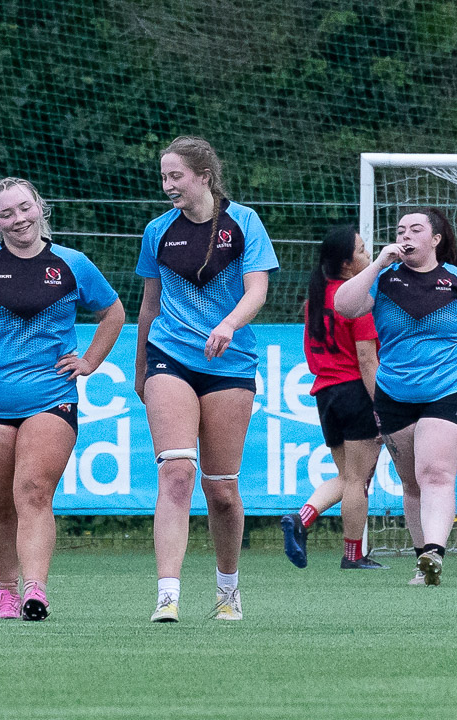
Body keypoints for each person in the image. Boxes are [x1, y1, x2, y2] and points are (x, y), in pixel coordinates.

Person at [0, 177, 124, 620]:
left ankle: (36, 589)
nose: (19, 220)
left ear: (40, 207)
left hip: (52, 397)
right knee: (1, 502)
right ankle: (5, 590)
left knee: (33, 490)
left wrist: (89, 360)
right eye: (6, 214)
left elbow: (112, 311)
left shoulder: (71, 263)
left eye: (24, 208)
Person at [334, 208, 457, 587]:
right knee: (411, 483)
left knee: (435, 472)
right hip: (394, 394)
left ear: (435, 239)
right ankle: (424, 563)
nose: (405, 235)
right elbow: (344, 306)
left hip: (450, 390)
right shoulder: (383, 279)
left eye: (416, 229)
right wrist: (378, 264)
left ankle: (435, 549)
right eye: (401, 229)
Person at [135, 136, 279, 622]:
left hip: (230, 364)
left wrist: (228, 324)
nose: (167, 185)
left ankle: (227, 589)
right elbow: (149, 306)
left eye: (175, 176)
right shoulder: (158, 231)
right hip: (169, 358)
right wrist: (141, 367)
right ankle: (167, 595)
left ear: (203, 176)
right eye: (163, 177)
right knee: (176, 473)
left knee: (221, 491)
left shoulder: (245, 223)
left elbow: (257, 289)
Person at [282, 225, 385, 570]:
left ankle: (302, 517)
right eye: (360, 249)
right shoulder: (353, 300)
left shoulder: (315, 297)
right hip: (355, 391)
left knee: (346, 477)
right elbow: (367, 358)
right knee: (358, 480)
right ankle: (353, 557)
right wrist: (381, 407)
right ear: (345, 264)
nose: (367, 254)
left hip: (326, 395)